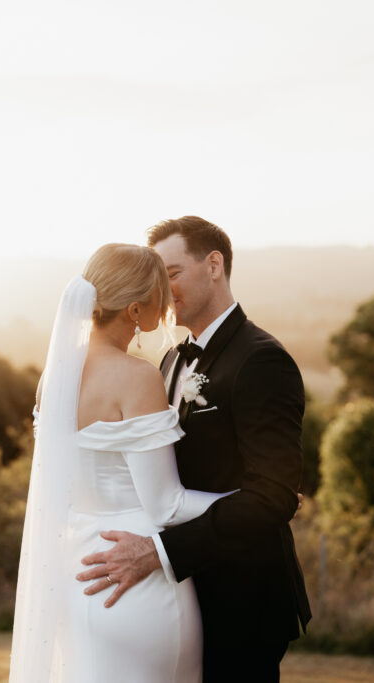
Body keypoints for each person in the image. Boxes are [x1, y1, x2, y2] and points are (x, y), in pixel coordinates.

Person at [77, 216, 311, 682]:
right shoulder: (169, 359)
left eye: (172, 273)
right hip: (176, 590)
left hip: (240, 595)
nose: (161, 289)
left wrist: (159, 551)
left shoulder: (261, 360)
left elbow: (273, 497)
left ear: (214, 265)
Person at [9, 243, 233, 683]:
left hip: (79, 574)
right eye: (158, 292)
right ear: (134, 309)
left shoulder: (53, 379)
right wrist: (244, 499)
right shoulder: (137, 377)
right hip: (140, 581)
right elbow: (165, 506)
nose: (167, 300)